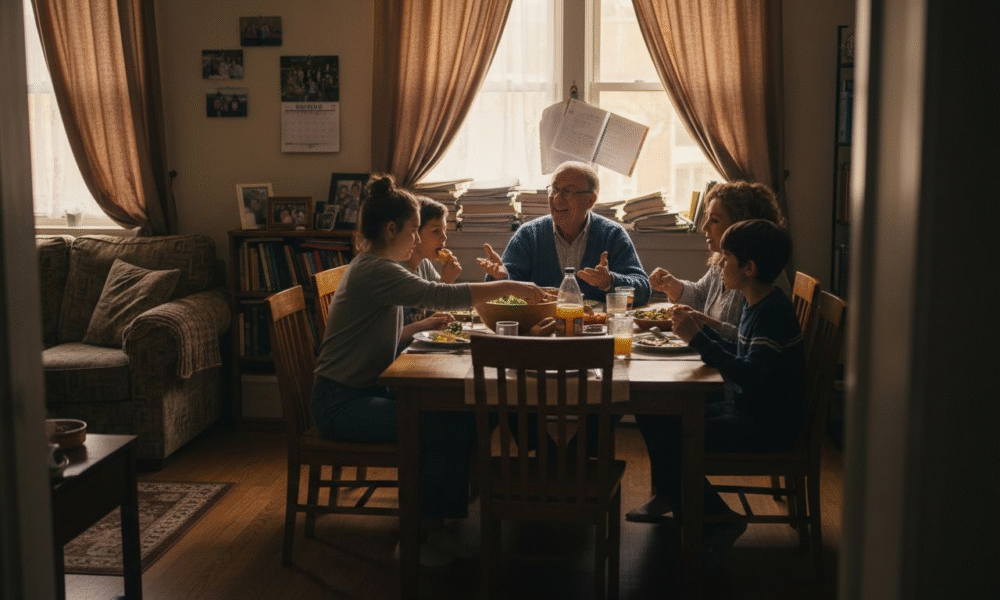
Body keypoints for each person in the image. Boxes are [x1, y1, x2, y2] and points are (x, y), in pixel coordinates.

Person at [311, 174, 544, 567]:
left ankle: (444, 517)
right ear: (391, 230)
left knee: (458, 413)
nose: (418, 241)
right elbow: (441, 295)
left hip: (362, 391)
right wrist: (513, 287)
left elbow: (404, 319)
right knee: (440, 424)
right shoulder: (374, 269)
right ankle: (419, 538)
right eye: (414, 232)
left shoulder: (379, 266)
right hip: (340, 404)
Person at [630, 219, 806, 564]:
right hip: (750, 409)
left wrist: (697, 337)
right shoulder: (760, 303)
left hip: (765, 425)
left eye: (726, 258)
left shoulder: (770, 314)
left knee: (671, 437)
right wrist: (699, 329)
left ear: (749, 268)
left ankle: (717, 517)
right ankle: (683, 502)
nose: (719, 264)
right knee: (654, 411)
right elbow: (743, 360)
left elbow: (751, 376)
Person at [477, 161, 650, 306]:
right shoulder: (530, 235)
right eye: (554, 189)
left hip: (594, 330)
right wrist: (501, 277)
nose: (557, 198)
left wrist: (609, 282)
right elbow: (500, 293)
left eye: (567, 191)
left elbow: (643, 289)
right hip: (540, 328)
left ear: (590, 200)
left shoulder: (611, 234)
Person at [648, 181, 790, 340]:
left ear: (740, 225)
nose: (704, 227)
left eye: (714, 220)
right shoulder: (722, 261)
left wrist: (705, 325)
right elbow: (700, 296)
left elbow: (750, 342)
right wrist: (673, 286)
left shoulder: (762, 276)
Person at [400, 196, 463, 335]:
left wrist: (447, 281)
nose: (444, 237)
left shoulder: (424, 264)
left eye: (445, 230)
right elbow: (394, 336)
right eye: (436, 231)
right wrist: (445, 283)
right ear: (415, 232)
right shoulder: (397, 271)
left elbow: (432, 314)